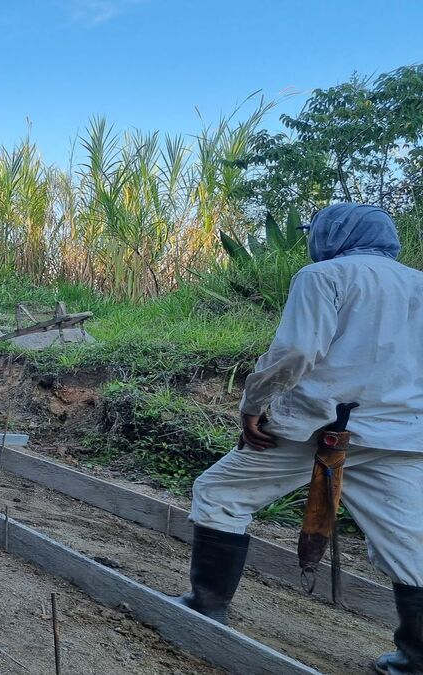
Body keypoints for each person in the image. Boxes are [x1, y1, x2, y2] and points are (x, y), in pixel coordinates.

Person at [175, 204, 423, 674]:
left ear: (333, 234)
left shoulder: (323, 276)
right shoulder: (419, 282)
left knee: (221, 492)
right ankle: (415, 661)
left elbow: (297, 351)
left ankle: (206, 607)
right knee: (412, 544)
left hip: (320, 426)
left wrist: (253, 403)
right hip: (402, 436)